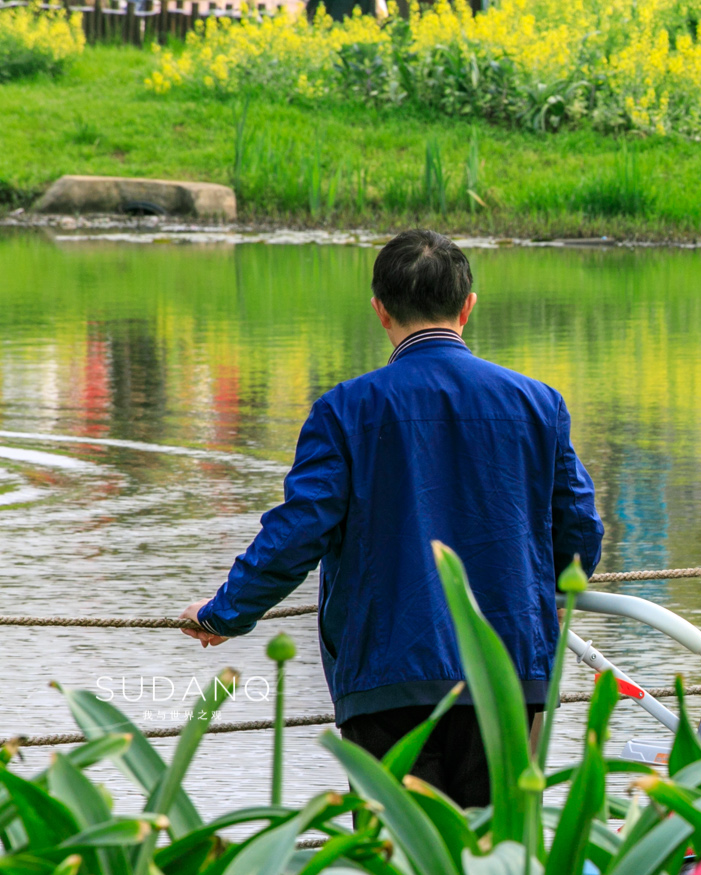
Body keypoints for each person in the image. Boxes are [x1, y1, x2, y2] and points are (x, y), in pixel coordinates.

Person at [180, 229, 603, 808]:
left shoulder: (346, 409)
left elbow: (298, 531)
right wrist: (552, 593)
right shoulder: (537, 403)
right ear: (468, 306)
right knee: (500, 864)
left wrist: (225, 612)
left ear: (379, 310)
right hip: (509, 672)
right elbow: (580, 526)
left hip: (387, 676)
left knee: (398, 868)